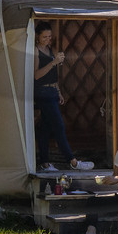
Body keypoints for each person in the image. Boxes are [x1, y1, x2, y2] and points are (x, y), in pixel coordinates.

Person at [34, 26, 92, 172]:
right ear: (37, 37)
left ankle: (45, 164)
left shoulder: (50, 50)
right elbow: (36, 75)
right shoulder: (35, 50)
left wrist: (58, 91)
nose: (48, 39)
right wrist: (53, 63)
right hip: (42, 92)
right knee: (59, 126)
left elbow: (53, 74)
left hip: (52, 91)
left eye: (49, 36)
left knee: (45, 129)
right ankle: (72, 162)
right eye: (44, 37)